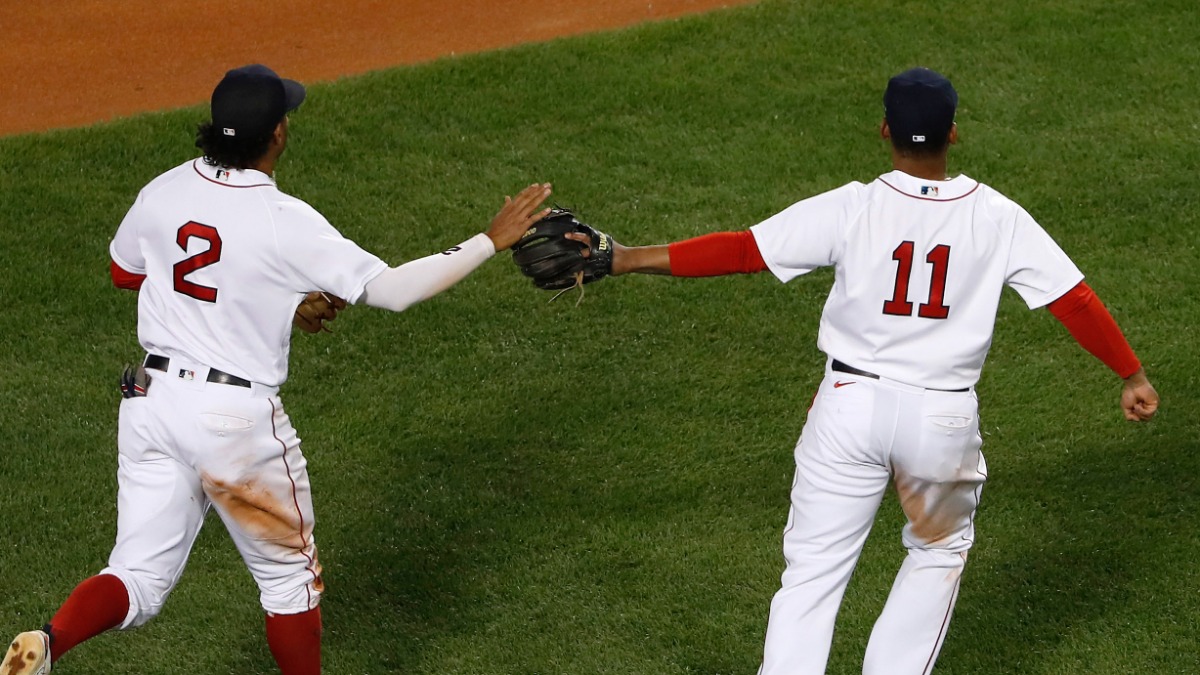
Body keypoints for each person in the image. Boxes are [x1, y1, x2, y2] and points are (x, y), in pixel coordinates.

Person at [598, 68, 1159, 673]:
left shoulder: (855, 205)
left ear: (885, 130)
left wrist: (626, 259)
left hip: (848, 407)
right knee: (938, 550)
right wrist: (1130, 373)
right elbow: (1072, 299)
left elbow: (742, 251)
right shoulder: (997, 215)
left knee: (811, 573)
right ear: (954, 133)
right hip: (942, 422)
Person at [0, 64, 551, 675]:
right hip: (233, 425)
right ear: (278, 133)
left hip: (150, 403)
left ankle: (50, 642)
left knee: (135, 575)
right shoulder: (282, 218)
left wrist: (276, 302)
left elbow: (128, 273)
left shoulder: (163, 190)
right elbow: (391, 291)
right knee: (290, 583)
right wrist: (487, 241)